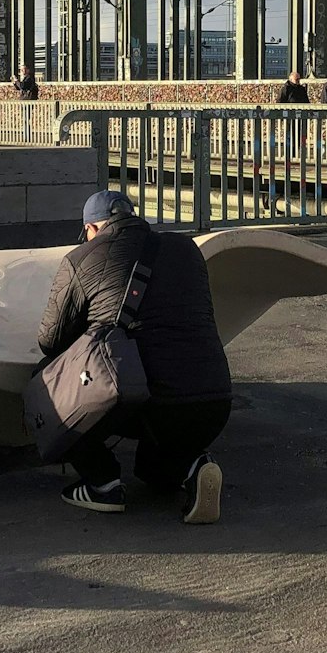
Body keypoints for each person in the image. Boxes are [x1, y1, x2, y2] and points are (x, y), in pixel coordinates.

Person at [38, 191, 230, 523]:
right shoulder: (186, 249)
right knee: (152, 469)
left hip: (141, 398)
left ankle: (102, 484)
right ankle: (195, 467)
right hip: (213, 399)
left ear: (92, 229)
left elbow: (49, 340)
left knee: (50, 378)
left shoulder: (82, 257)